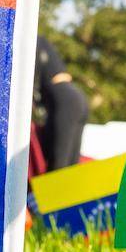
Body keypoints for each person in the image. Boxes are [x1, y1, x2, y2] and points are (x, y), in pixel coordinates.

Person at [34, 37, 88, 172]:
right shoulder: (43, 41)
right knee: (70, 167)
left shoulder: (33, 40)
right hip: (77, 96)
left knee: (58, 166)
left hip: (64, 99)